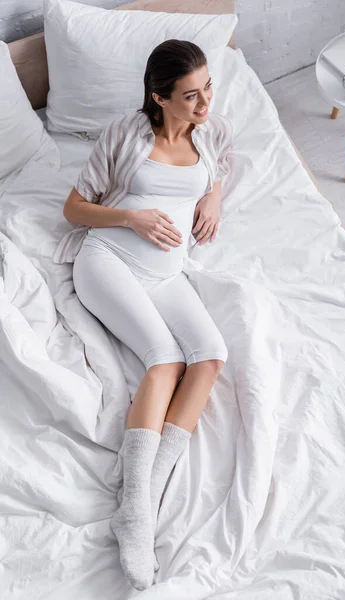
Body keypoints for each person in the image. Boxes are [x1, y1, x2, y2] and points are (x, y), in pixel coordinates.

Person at [54, 39, 234, 590]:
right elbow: (73, 207)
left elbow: (219, 165)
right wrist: (130, 218)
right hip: (109, 259)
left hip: (167, 272)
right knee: (164, 359)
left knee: (210, 357)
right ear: (158, 98)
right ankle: (135, 511)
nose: (204, 104)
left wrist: (214, 197)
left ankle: (145, 493)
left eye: (207, 88)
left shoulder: (212, 131)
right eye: (190, 95)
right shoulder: (126, 135)